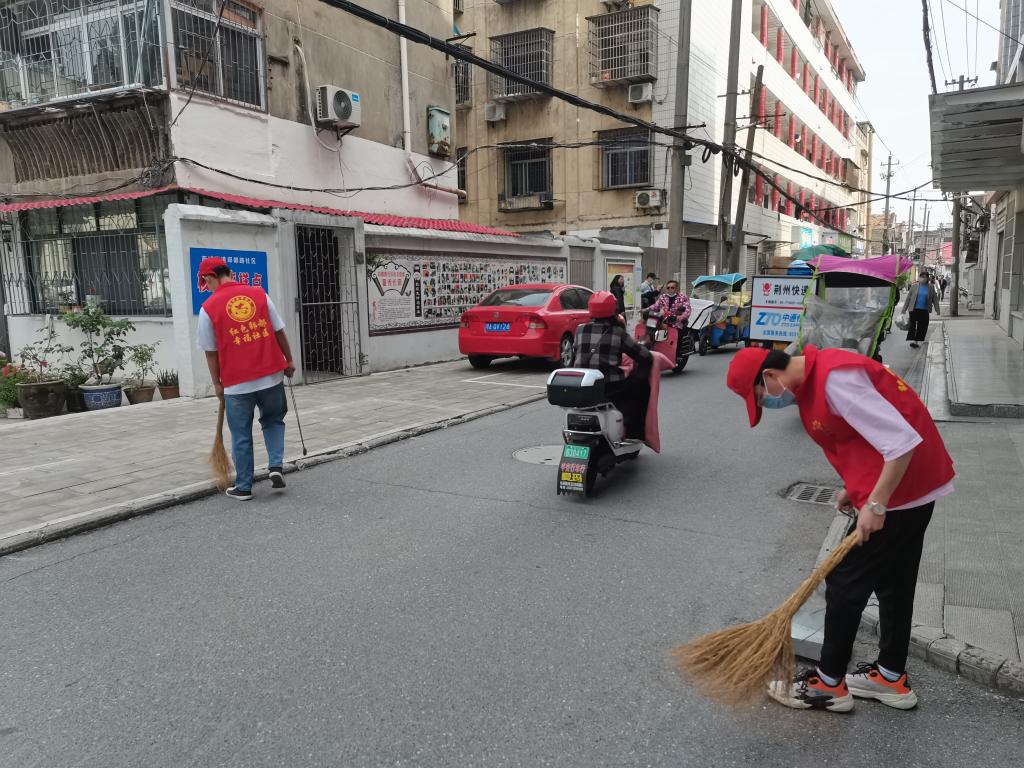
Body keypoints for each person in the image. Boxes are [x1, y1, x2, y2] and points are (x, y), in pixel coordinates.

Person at [726, 346, 954, 714]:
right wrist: (856, 487)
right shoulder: (818, 379)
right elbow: (859, 437)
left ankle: (828, 684)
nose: (768, 403)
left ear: (770, 376)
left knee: (845, 581)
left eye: (760, 396)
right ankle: (890, 677)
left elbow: (901, 442)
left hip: (902, 493)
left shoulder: (835, 381)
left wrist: (876, 504)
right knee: (895, 582)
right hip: (913, 488)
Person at [197, 257, 297, 501]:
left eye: (206, 282)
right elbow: (279, 332)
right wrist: (289, 360)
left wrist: (217, 383)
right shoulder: (260, 294)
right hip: (271, 375)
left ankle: (243, 487)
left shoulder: (208, 308)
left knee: (241, 434)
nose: (207, 287)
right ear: (229, 272)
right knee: (273, 420)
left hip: (236, 383)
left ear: (210, 276)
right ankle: (275, 466)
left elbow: (211, 352)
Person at [574, 290, 653, 438]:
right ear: (614, 310)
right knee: (642, 386)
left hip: (582, 386)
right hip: (609, 387)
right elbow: (645, 356)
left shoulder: (580, 329)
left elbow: (576, 353)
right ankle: (635, 432)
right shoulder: (617, 332)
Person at [902, 272, 940, 349]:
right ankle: (914, 341)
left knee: (922, 326)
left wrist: (937, 309)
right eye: (921, 277)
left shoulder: (931, 287)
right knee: (912, 325)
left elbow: (935, 299)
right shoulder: (914, 286)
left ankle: (917, 340)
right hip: (914, 309)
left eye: (924, 277)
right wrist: (904, 309)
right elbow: (908, 298)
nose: (922, 278)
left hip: (924, 310)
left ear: (927, 278)